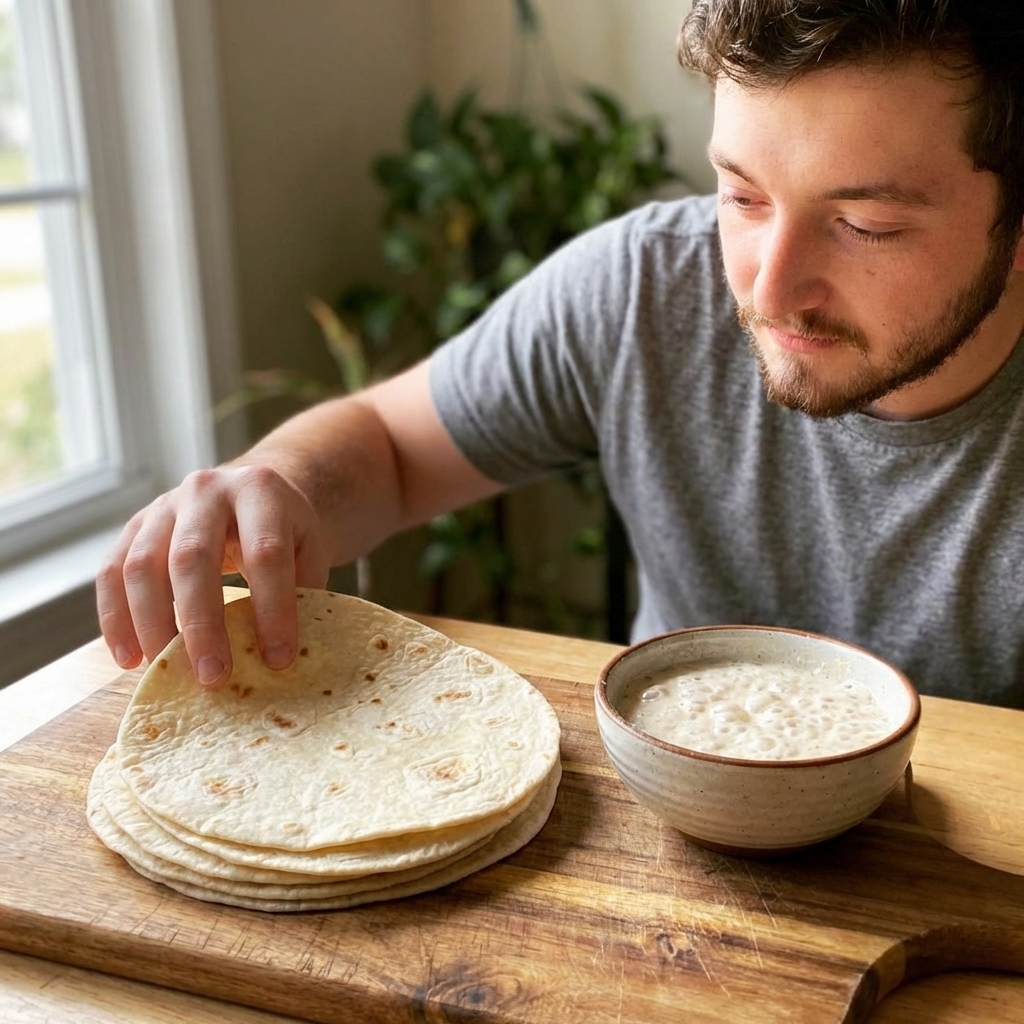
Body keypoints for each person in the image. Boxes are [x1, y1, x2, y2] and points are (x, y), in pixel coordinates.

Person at [97, 0, 1024, 707]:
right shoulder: (641, 286)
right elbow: (387, 442)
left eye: (863, 225)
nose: (768, 292)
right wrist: (279, 487)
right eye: (742, 197)